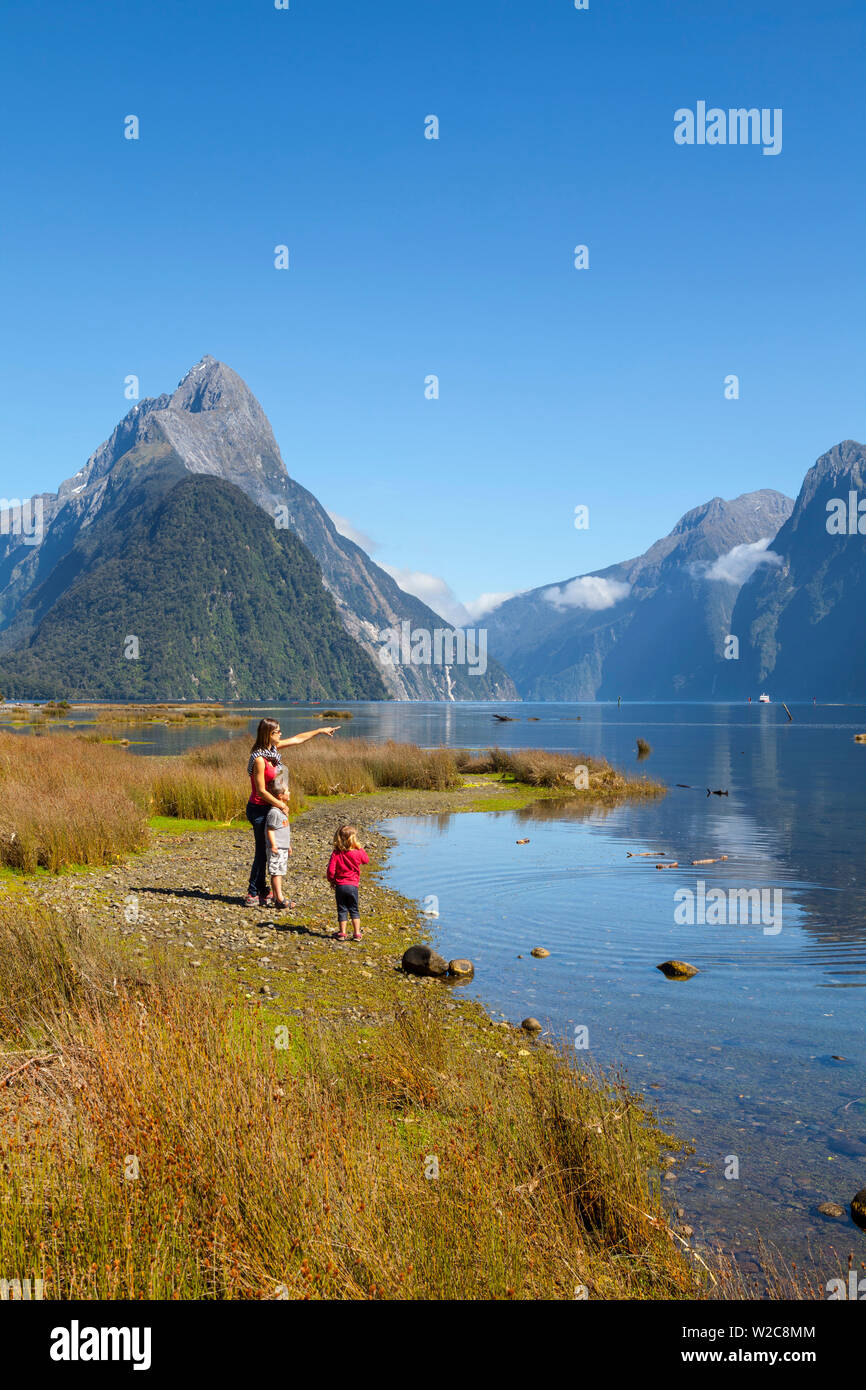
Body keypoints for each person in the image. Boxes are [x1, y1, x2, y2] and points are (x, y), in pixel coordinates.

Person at [245, 716, 339, 907]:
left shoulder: (273, 750)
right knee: (262, 852)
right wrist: (280, 805)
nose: (281, 733)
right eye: (277, 731)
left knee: (266, 850)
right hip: (259, 809)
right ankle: (252, 893)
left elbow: (298, 739)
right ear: (268, 734)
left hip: (270, 807)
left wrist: (320, 730)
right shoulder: (260, 759)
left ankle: (263, 890)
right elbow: (261, 790)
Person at [326, 823, 369, 942]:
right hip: (353, 886)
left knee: (342, 909)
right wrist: (360, 848)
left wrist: (332, 880)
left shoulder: (336, 853)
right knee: (354, 909)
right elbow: (366, 860)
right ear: (354, 839)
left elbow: (330, 870)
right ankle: (357, 933)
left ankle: (342, 933)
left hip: (340, 886)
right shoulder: (357, 852)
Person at [265, 769, 292, 909]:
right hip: (276, 847)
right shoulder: (274, 812)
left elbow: (285, 830)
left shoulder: (283, 810)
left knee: (280, 871)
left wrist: (288, 845)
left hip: (283, 846)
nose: (290, 793)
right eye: (287, 791)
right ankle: (279, 898)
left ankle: (277, 897)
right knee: (276, 872)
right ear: (281, 796)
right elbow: (270, 829)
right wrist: (273, 845)